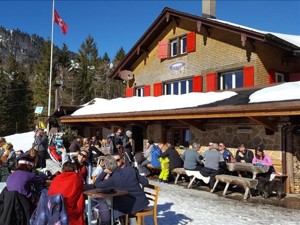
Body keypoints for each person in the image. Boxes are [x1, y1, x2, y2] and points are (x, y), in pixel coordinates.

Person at [94, 155, 149, 223]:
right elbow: (145, 182)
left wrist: (104, 172)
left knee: (111, 206)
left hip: (130, 206)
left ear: (107, 167)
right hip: (141, 202)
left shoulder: (113, 179)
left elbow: (97, 183)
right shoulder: (130, 169)